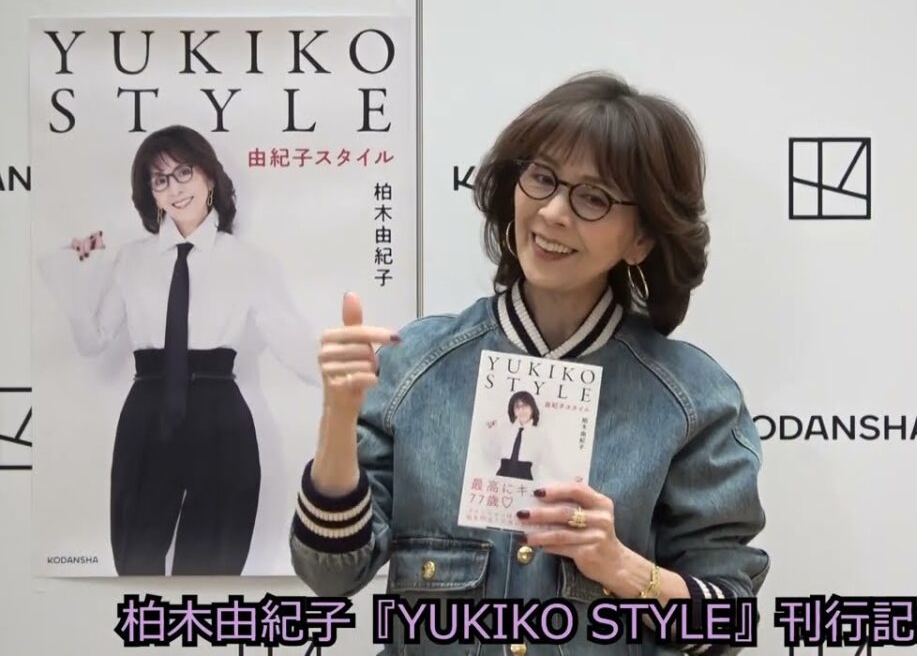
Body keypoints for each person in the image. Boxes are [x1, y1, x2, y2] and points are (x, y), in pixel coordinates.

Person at [290, 72, 769, 654]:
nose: (554, 212)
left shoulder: (693, 401)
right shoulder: (414, 364)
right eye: (542, 178)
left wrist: (621, 567)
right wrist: (338, 418)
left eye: (593, 197)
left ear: (641, 238)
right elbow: (330, 574)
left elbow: (727, 624)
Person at [39, 124, 318, 576]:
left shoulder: (248, 261)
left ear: (209, 176)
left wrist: (352, 369)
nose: (174, 188)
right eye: (160, 179)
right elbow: (93, 341)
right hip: (147, 414)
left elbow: (293, 343)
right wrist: (73, 279)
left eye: (184, 172)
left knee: (213, 566)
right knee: (135, 559)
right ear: (150, 193)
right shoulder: (131, 259)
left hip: (220, 417)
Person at [497, 391, 540, 481]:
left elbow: (549, 464)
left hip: (525, 480)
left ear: (532, 408)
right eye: (517, 407)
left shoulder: (538, 434)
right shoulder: (505, 431)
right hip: (502, 478)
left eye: (525, 406)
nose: (521, 410)